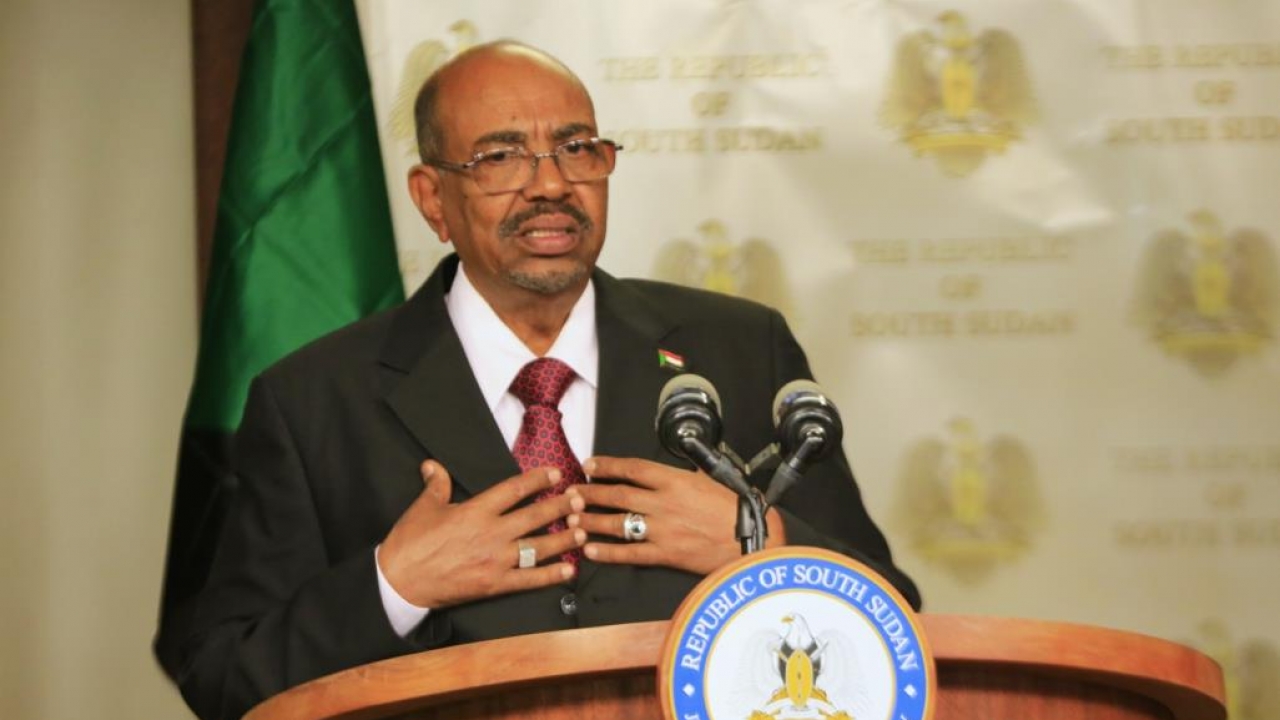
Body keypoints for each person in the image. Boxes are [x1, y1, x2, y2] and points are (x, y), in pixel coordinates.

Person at [174, 40, 919, 720]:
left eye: (577, 148)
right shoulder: (313, 399)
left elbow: (896, 618)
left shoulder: (740, 351)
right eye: (501, 157)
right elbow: (224, 679)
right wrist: (396, 586)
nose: (552, 184)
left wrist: (761, 544)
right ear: (432, 199)